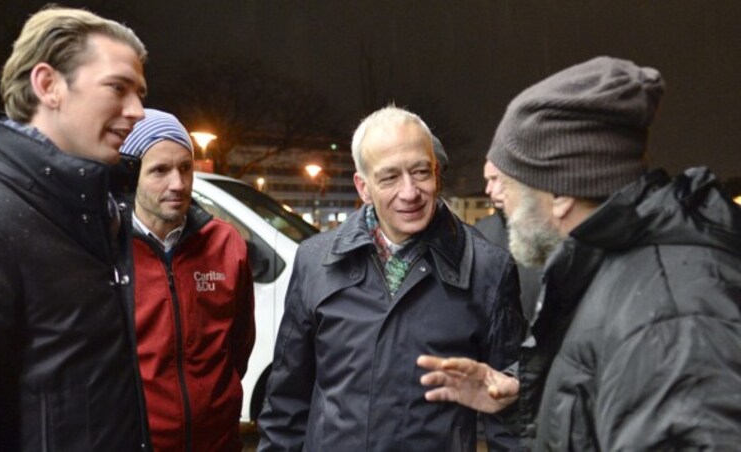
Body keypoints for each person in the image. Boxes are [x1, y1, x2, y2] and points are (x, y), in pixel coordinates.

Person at [418, 56, 741, 450]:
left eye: (513, 185)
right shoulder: (616, 272)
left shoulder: (673, 323)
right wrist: (521, 401)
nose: (500, 201)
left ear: (559, 193)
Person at [0, 6, 151, 450]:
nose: (137, 111)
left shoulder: (97, 212)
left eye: (140, 93)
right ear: (48, 84)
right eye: (118, 88)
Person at [257, 105, 526, 451]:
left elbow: (511, 418)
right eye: (389, 178)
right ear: (363, 187)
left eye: (420, 172)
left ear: (436, 172)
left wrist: (517, 387)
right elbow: (285, 404)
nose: (410, 192)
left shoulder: (489, 269)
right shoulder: (315, 261)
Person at [119, 108, 256, 451]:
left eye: (185, 168)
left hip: (218, 442)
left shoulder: (227, 243)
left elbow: (240, 344)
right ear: (131, 175)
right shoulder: (105, 250)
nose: (177, 184)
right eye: (160, 170)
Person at [474, 160, 542, 321]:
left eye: (495, 179)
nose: (488, 189)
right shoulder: (479, 233)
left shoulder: (555, 230)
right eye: (487, 180)